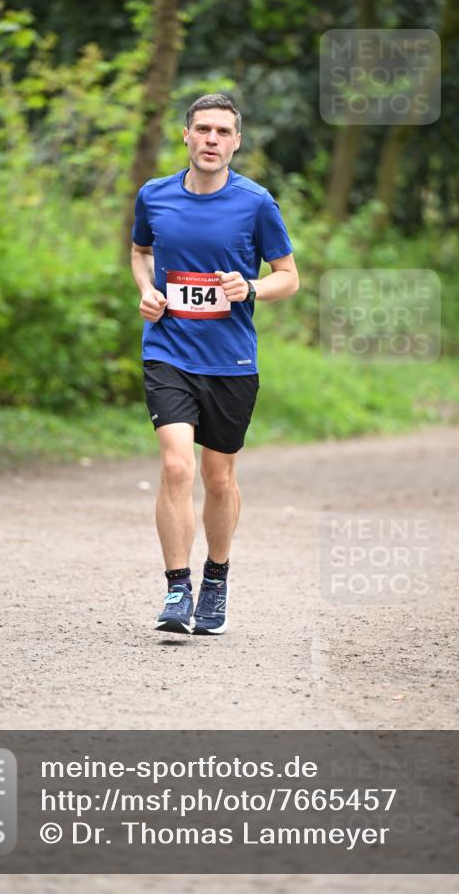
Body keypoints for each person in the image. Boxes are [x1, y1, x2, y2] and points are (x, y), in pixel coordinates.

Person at [130, 93, 299, 636]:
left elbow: (288, 275)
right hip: (168, 350)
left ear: (236, 142)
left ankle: (216, 579)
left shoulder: (255, 203)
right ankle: (177, 588)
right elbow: (140, 253)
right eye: (203, 129)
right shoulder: (154, 197)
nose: (211, 139)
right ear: (186, 136)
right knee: (177, 465)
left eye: (223, 132)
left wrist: (249, 286)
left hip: (231, 359)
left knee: (218, 477)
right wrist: (147, 291)